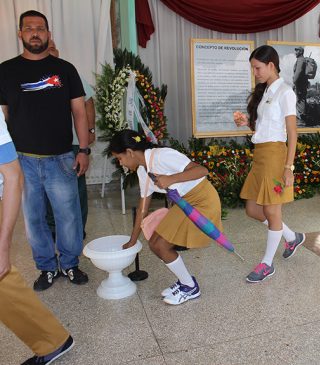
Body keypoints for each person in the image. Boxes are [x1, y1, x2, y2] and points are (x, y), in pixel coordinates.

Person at [0, 10, 89, 291]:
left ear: (49, 34)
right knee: (33, 219)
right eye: (29, 28)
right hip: (21, 161)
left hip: (61, 157)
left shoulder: (65, 69)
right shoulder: (5, 71)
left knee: (68, 216)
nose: (35, 33)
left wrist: (84, 149)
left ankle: (71, 264)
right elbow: (1, 116)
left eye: (40, 28)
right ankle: (47, 267)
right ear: (20, 34)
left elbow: (79, 111)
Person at [109, 129, 223, 305]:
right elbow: (142, 209)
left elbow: (202, 170)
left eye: (120, 158)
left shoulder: (162, 156)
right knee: (154, 243)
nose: (120, 163)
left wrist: (171, 179)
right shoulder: (142, 171)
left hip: (202, 201)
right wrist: (132, 240)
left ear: (130, 152)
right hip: (184, 203)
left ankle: (190, 287)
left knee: (160, 244)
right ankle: (186, 282)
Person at [0, 108, 74, 365]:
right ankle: (53, 340)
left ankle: (52, 340)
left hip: (54, 155)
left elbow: (12, 176)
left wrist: (3, 247)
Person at [233, 45, 305, 283]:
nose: (255, 72)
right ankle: (292, 237)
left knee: (272, 211)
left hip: (275, 156)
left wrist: (288, 167)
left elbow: (292, 133)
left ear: (271, 65)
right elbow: (263, 129)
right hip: (260, 155)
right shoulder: (264, 92)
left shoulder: (286, 92)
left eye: (258, 67)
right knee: (253, 209)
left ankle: (266, 264)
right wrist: (247, 123)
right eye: (253, 68)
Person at [45, 40, 96, 240]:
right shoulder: (32, 76)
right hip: (45, 145)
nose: (49, 52)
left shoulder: (68, 72)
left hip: (74, 142)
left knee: (76, 188)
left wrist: (90, 129)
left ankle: (78, 228)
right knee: (47, 190)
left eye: (51, 48)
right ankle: (53, 228)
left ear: (56, 51)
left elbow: (88, 102)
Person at [293, 46, 308, 121]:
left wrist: (294, 82)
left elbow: (298, 72)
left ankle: (302, 119)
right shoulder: (302, 60)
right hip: (302, 84)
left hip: (299, 84)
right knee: (301, 99)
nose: (295, 52)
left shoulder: (300, 60)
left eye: (297, 51)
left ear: (301, 52)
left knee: (300, 100)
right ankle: (302, 118)